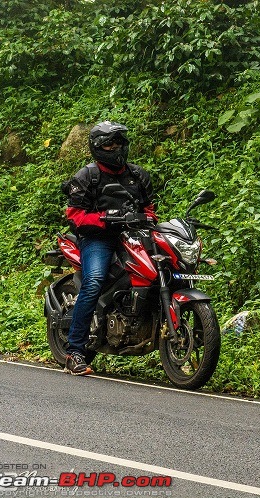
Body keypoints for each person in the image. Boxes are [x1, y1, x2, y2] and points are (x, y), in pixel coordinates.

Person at [62, 121, 157, 375]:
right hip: (97, 239)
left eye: (119, 142)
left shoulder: (138, 175)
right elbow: (74, 216)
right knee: (94, 280)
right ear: (97, 147)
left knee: (164, 267)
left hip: (135, 237)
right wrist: (104, 217)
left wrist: (147, 220)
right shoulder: (87, 176)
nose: (116, 147)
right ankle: (74, 352)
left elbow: (149, 209)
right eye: (109, 143)